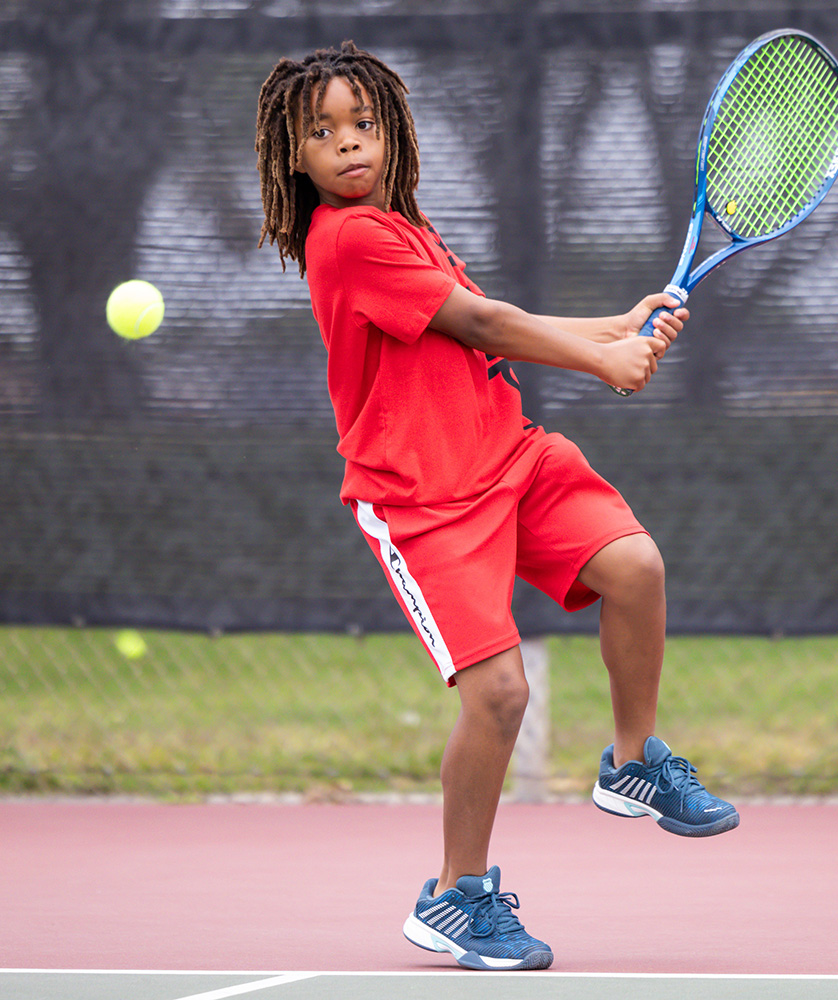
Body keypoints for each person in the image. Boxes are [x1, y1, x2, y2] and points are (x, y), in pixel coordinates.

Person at [256, 40, 739, 973]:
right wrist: (603, 360)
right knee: (501, 696)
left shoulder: (405, 227)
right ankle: (456, 897)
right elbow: (480, 323)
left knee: (635, 566)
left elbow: (486, 320)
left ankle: (633, 758)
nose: (349, 145)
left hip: (511, 456)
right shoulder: (349, 239)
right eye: (323, 133)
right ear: (296, 157)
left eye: (363, 124)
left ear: (392, 131)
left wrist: (615, 325)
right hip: (421, 501)